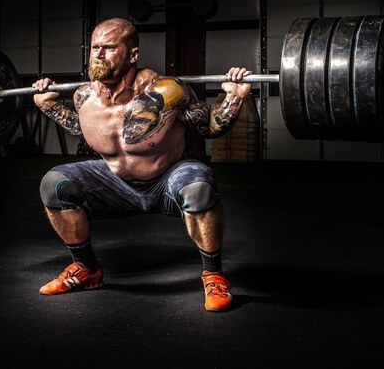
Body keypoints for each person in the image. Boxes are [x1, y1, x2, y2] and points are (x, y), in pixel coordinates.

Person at [32, 17, 252, 312]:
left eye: (109, 48)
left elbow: (210, 125)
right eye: (95, 47)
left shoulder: (169, 91)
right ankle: (86, 269)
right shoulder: (83, 96)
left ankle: (213, 275)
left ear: (132, 54)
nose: (98, 54)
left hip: (166, 178)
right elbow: (80, 128)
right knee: (54, 184)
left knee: (199, 185)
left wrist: (234, 98)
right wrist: (49, 106)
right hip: (114, 182)